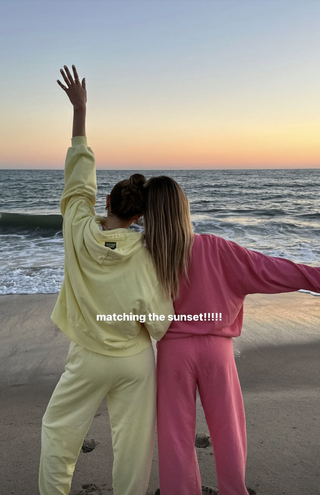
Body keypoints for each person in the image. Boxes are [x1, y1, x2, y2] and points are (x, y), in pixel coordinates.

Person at [39, 66, 174, 495]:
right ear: (138, 217)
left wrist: (80, 112)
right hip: (135, 361)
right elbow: (159, 323)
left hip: (88, 357)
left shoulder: (78, 228)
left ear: (108, 202)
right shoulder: (145, 256)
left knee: (59, 434)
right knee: (133, 447)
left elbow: (78, 180)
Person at [142, 176, 320, 495]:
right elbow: (274, 270)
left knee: (175, 435)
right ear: (184, 209)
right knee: (228, 432)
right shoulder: (217, 248)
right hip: (217, 352)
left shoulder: (143, 255)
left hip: (173, 354)